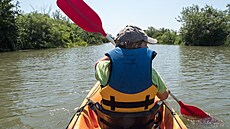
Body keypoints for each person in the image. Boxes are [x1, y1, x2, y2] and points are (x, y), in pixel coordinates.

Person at [94, 25, 169, 129]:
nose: (147, 47)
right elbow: (164, 96)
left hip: (111, 125)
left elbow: (97, 64)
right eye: (145, 44)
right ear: (137, 45)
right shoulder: (152, 73)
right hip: (143, 125)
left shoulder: (105, 70)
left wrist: (112, 57)